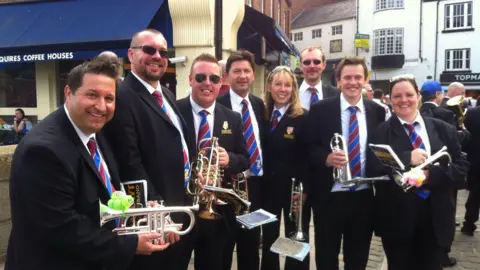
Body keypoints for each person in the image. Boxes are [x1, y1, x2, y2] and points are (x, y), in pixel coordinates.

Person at [6, 57, 170, 270]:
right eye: (92, 95)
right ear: (68, 93)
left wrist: (140, 211)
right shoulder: (43, 150)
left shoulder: (93, 129)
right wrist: (130, 244)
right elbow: (62, 227)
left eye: (109, 98)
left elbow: (101, 192)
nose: (101, 106)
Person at [103, 29, 190, 270]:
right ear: (131, 54)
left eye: (163, 52)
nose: (157, 56)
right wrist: (156, 211)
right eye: (149, 50)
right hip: (155, 218)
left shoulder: (167, 94)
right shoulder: (122, 97)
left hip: (177, 210)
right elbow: (129, 162)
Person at [369, 74, 468, 270]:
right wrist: (407, 158)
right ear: (390, 99)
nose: (403, 100)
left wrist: (431, 175)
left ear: (418, 97)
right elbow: (373, 167)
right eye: (397, 96)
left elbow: (462, 169)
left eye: (409, 94)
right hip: (398, 222)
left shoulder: (443, 129)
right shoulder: (381, 132)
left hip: (435, 218)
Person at [303, 56, 385, 269]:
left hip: (364, 195)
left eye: (358, 77)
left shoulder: (377, 111)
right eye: (347, 77)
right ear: (338, 81)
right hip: (330, 195)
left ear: (365, 80)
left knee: (357, 258)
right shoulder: (321, 108)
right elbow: (308, 146)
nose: (353, 82)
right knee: (326, 257)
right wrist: (326, 158)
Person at [176, 53, 249, 270]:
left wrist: (229, 159)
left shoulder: (232, 118)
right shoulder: (173, 111)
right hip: (181, 209)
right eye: (200, 77)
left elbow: (245, 159)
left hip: (217, 212)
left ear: (221, 83)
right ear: (190, 79)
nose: (207, 83)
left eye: (214, 79)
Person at [217, 50, 266, 270]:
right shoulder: (217, 105)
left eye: (246, 71)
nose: (242, 75)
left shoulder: (259, 104)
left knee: (250, 247)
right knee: (224, 247)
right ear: (227, 75)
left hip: (255, 187)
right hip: (228, 188)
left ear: (253, 74)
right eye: (236, 71)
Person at [260, 66, 310, 270]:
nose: (282, 89)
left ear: (294, 89)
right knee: (269, 236)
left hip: (293, 191)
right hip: (268, 188)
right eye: (278, 84)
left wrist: (305, 191)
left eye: (287, 85)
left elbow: (307, 158)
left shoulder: (303, 117)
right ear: (269, 87)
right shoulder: (261, 114)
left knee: (295, 238)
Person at [298, 46, 340, 111]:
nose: (312, 66)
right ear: (300, 66)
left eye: (316, 62)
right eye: (307, 62)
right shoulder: (290, 93)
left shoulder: (336, 94)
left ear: (324, 65)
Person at [462, 105, 480, 236]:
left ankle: (469, 224)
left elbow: (465, 137)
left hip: (475, 159)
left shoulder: (472, 113)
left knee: (475, 193)